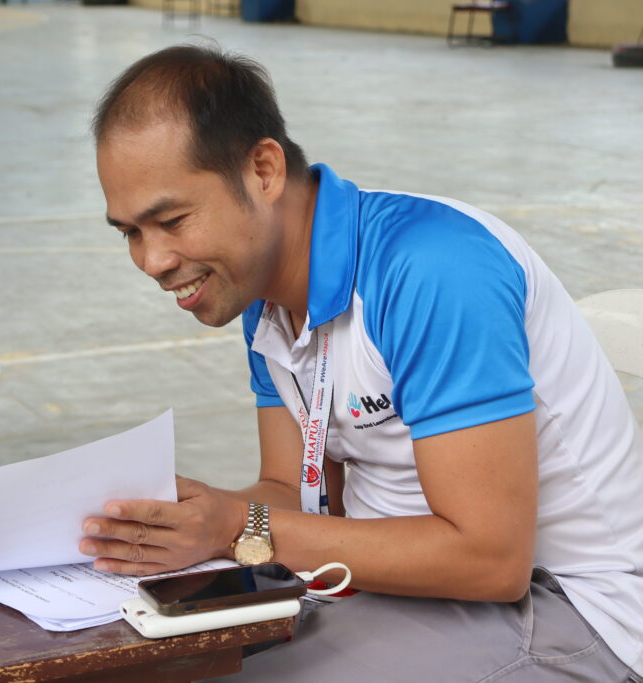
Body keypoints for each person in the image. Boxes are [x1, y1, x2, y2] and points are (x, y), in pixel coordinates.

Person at [82, 45, 643, 680]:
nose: (152, 261)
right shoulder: (262, 298)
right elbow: (292, 492)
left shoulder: (432, 270)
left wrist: (235, 526)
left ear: (263, 170)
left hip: (567, 606)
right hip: (394, 590)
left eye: (172, 220)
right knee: (135, 664)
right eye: (130, 232)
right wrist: (180, 524)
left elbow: (489, 560)